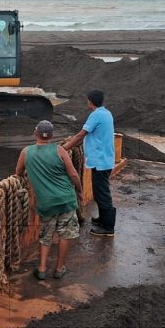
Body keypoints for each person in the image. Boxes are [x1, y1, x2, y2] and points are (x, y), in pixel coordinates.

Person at [16, 120, 84, 280]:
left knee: (46, 236)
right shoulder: (60, 150)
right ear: (52, 135)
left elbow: (18, 172)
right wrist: (79, 191)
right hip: (66, 200)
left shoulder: (26, 152)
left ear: (35, 133)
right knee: (65, 235)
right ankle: (59, 269)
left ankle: (41, 269)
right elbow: (74, 175)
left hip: (46, 203)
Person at [62, 89, 115, 237]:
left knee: (102, 194)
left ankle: (108, 227)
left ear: (90, 101)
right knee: (100, 192)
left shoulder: (96, 115)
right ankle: (102, 219)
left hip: (100, 161)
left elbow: (81, 134)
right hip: (105, 159)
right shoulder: (107, 113)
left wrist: (64, 148)